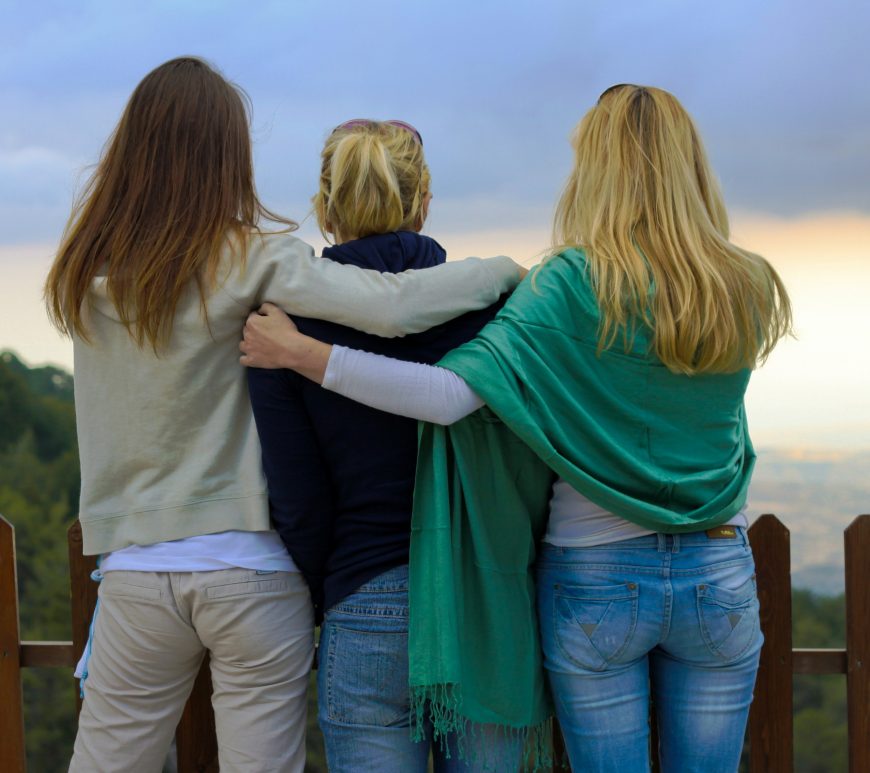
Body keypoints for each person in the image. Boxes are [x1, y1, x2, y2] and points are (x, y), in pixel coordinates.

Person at [239, 85, 793, 773]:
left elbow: (442, 399)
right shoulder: (747, 281)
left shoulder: (568, 282)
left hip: (579, 568)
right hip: (707, 565)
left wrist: (302, 353)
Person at [44, 57, 523, 773]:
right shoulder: (251, 258)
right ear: (228, 157)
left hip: (138, 569)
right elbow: (393, 305)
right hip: (250, 567)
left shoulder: (84, 275)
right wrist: (505, 271)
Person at [247, 118, 519, 772]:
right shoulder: (492, 308)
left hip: (364, 593)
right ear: (424, 200)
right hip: (480, 602)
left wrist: (330, 589)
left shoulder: (284, 327)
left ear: (326, 208)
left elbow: (298, 497)